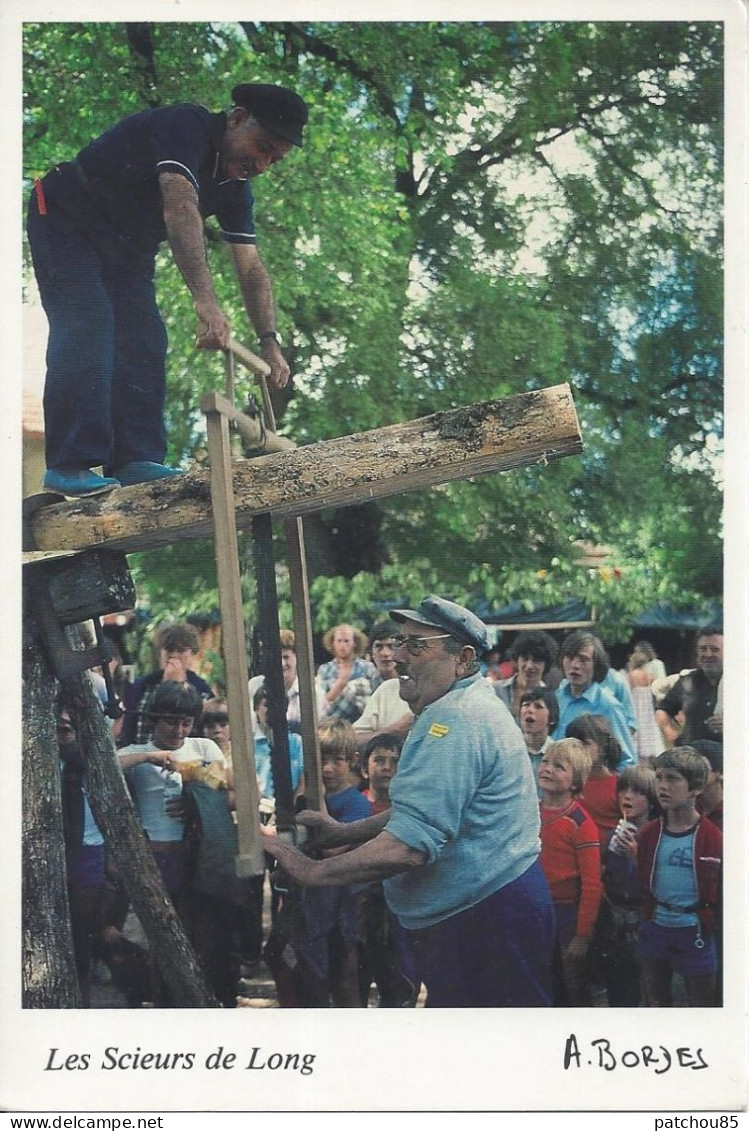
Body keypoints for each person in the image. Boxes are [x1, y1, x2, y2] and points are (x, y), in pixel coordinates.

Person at [264, 594, 555, 1008]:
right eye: (399, 643)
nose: (398, 657)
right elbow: (426, 812)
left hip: (485, 918)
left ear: (463, 657)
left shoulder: (455, 721)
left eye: (417, 646)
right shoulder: (457, 707)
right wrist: (345, 831)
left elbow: (409, 846)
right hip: (487, 910)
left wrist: (311, 871)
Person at [27, 83, 307, 497]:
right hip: (68, 217)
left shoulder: (236, 188)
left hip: (129, 246)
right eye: (262, 146)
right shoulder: (184, 125)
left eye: (274, 159)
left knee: (144, 338)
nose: (263, 164)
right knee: (89, 323)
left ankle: (137, 458)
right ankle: (71, 463)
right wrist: (206, 302)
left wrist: (270, 341)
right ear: (236, 118)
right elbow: (179, 205)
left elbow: (250, 266)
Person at [291, 720, 373, 1007]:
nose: (328, 769)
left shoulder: (357, 804)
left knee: (343, 975)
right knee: (310, 972)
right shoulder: (306, 795)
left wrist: (317, 800)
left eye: (337, 760)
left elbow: (333, 849)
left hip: (342, 903)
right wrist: (304, 792)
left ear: (351, 761)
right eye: (321, 761)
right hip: (310, 901)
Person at [636, 746, 722, 1007]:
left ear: (695, 788)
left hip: (694, 928)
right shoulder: (649, 833)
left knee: (700, 1004)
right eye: (659, 777)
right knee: (656, 1001)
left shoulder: (711, 836)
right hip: (656, 925)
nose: (662, 785)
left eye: (672, 779)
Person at [537, 738, 602, 1006]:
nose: (548, 769)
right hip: (536, 910)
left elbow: (592, 884)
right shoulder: (530, 812)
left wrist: (583, 935)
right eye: (545, 762)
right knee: (541, 981)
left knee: (573, 985)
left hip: (567, 915)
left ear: (575, 782)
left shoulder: (580, 823)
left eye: (559, 766)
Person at [592, 764, 659, 1007]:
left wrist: (636, 857)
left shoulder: (657, 836)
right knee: (619, 986)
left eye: (638, 792)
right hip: (614, 919)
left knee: (649, 986)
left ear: (652, 801)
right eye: (623, 790)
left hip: (644, 921)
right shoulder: (612, 836)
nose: (627, 796)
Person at [57, 696, 108, 1007]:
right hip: (53, 857)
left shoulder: (97, 766)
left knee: (82, 937)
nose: (69, 736)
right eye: (63, 729)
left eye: (75, 729)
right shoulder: (44, 765)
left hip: (89, 854)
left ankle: (82, 1003)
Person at [119, 621, 213, 746]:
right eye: (169, 649)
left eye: (180, 650)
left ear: (191, 654)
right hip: (141, 757)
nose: (174, 655)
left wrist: (177, 685)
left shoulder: (201, 690)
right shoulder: (142, 687)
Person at [553, 630, 636, 768]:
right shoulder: (556, 698)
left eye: (583, 659)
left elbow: (627, 761)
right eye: (569, 657)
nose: (575, 665)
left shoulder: (608, 705)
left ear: (596, 665)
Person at [655, 626, 723, 748]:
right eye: (703, 649)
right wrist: (670, 733)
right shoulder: (687, 681)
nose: (708, 654)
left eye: (715, 649)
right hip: (693, 758)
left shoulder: (740, 684)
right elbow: (663, 710)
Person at [248, 628, 326, 735]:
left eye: (286, 657)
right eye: (275, 658)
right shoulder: (254, 686)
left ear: (297, 657)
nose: (281, 663)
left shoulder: (314, 694)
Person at [565, 714, 622, 840]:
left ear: (602, 748)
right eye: (573, 743)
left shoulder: (620, 785)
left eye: (584, 743)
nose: (577, 749)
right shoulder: (566, 782)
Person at [316, 624, 376, 724]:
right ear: (333, 643)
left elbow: (374, 698)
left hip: (361, 723)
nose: (342, 645)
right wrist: (340, 684)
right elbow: (322, 703)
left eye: (346, 641)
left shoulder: (367, 667)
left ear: (354, 643)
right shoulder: (325, 669)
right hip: (332, 724)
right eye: (339, 641)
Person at [494, 630, 558, 720]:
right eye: (525, 658)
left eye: (536, 661)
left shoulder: (549, 699)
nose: (529, 666)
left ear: (546, 665)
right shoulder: (495, 690)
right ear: (517, 659)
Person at [518, 687, 559, 794]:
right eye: (525, 705)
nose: (530, 710)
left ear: (552, 718)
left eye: (538, 706)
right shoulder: (509, 750)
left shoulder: (559, 755)